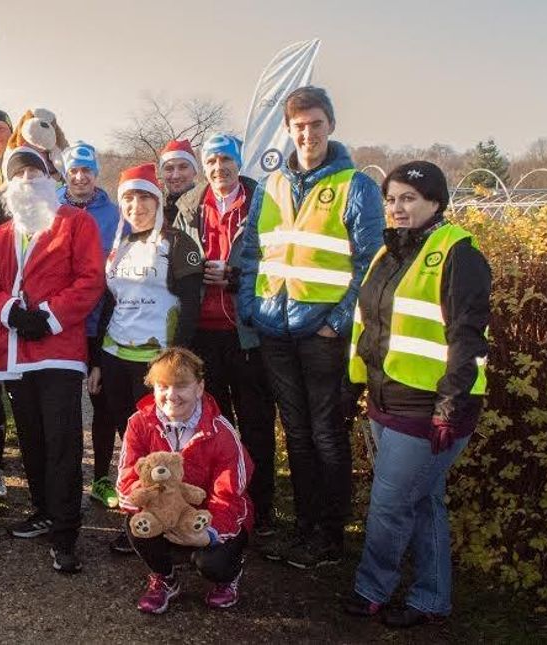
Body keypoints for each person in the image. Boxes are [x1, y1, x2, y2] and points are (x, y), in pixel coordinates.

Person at [237, 85, 385, 569]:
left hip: (323, 332)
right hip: (275, 330)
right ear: (289, 129)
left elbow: (369, 262)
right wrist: (252, 311)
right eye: (299, 125)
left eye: (316, 124)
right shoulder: (271, 186)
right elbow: (253, 253)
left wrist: (338, 322)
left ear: (331, 126)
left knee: (326, 434)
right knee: (296, 433)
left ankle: (330, 535)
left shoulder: (355, 186)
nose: (308, 133)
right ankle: (303, 528)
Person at [343, 161, 490, 628]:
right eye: (391, 199)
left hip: (431, 408)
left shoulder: (459, 254)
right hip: (387, 401)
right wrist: (357, 385)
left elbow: (467, 337)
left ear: (435, 202)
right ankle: (431, 597)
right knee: (423, 501)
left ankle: (372, 588)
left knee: (389, 504)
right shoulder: (387, 253)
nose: (397, 208)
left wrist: (449, 404)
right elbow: (371, 327)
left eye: (408, 198)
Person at [0, 145, 105, 573]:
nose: (28, 180)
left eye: (35, 171)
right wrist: (11, 311)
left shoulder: (76, 223)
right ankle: (43, 510)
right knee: (31, 440)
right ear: (8, 185)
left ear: (50, 176)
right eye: (19, 174)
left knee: (62, 442)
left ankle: (66, 530)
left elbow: (91, 281)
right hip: (15, 353)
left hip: (58, 352)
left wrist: (47, 317)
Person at [92, 163, 203, 552]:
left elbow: (191, 305)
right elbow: (109, 305)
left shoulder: (178, 243)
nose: (136, 206)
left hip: (158, 360)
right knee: (134, 441)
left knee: (165, 441)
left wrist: (179, 358)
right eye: (128, 199)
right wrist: (95, 360)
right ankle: (140, 516)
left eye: (143, 197)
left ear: (156, 200)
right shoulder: (118, 246)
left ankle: (175, 517)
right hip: (115, 353)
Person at [173, 133, 278, 536]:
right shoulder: (189, 206)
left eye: (226, 160)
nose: (219, 169)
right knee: (215, 426)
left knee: (255, 424)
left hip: (247, 332)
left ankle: (261, 509)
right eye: (212, 161)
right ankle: (221, 505)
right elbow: (183, 260)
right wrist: (198, 272)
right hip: (203, 333)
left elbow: (276, 260)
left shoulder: (261, 202)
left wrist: (238, 278)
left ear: (239, 162)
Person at [116, 348, 254, 614]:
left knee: (211, 563)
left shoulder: (221, 431)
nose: (171, 395)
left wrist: (209, 533)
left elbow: (230, 493)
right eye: (163, 386)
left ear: (199, 387)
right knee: (137, 524)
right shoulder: (138, 423)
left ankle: (229, 576)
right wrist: (159, 509)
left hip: (211, 517)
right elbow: (127, 481)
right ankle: (165, 579)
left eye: (181, 386)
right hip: (165, 515)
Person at [57, 142, 124, 511]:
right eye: (74, 171)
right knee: (63, 404)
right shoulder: (51, 206)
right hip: (62, 321)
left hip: (103, 319)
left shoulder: (114, 213)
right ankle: (64, 477)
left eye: (87, 171)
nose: (80, 177)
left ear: (96, 174)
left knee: (104, 402)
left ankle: (101, 477)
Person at [158, 139, 199, 227]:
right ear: (161, 174)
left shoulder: (207, 206)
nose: (176, 175)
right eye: (169, 169)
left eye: (183, 167)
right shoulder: (153, 209)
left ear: (195, 171)